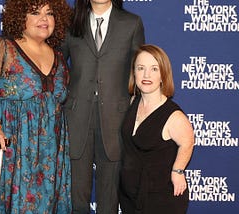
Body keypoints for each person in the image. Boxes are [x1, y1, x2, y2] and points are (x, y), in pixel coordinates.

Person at [0, 0, 72, 213]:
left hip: (48, 155)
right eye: (35, 12)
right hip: (9, 149)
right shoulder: (2, 47)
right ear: (19, 17)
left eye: (49, 13)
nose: (44, 19)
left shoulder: (59, 57)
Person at [61, 0, 145, 213]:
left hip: (116, 118)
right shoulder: (70, 22)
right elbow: (56, 65)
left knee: (110, 199)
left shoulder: (131, 23)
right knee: (76, 197)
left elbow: (138, 70)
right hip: (76, 117)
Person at [119, 44, 194, 214]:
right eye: (141, 68)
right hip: (130, 198)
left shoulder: (173, 115)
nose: (146, 75)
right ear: (134, 73)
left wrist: (178, 170)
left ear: (163, 75)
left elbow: (188, 142)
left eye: (154, 69)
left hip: (161, 201)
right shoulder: (133, 103)